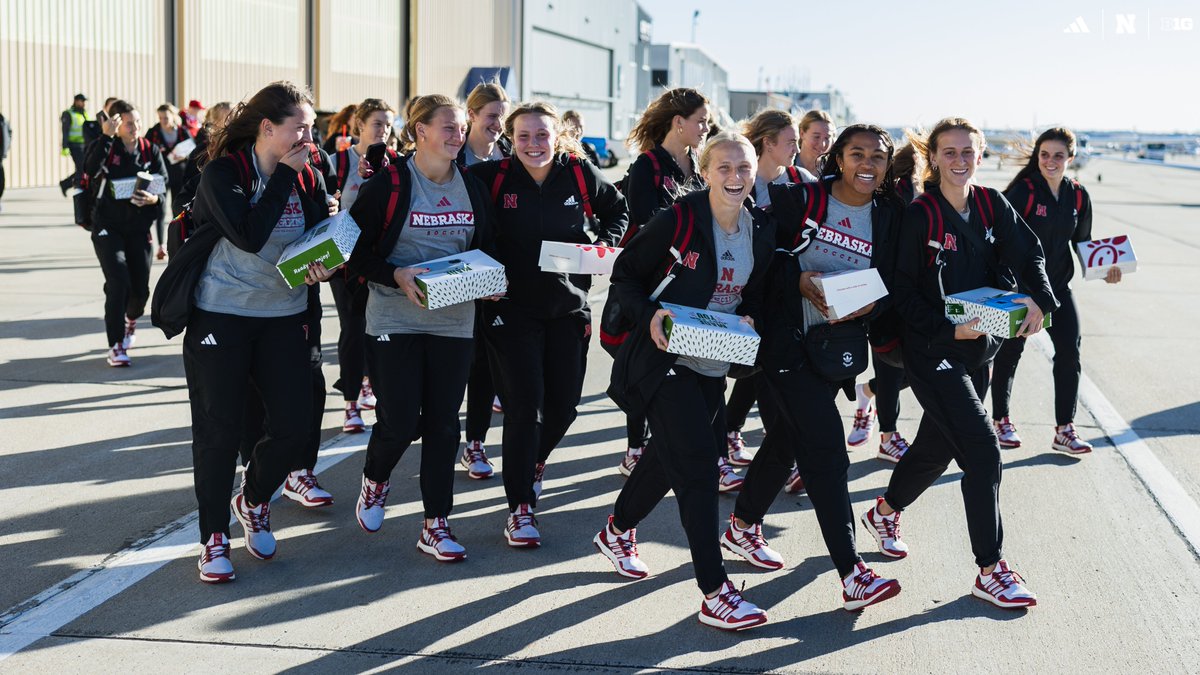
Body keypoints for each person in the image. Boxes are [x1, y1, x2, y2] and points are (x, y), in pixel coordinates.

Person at [861, 117, 1056, 609]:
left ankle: (884, 512)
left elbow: (1029, 252)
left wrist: (1040, 299)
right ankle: (990, 570)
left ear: (980, 155)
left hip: (978, 349)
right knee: (983, 450)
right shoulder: (921, 215)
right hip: (932, 351)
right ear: (933, 158)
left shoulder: (992, 204)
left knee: (936, 449)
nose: (959, 160)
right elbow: (901, 291)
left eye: (968, 151)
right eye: (949, 152)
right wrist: (948, 330)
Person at [721, 124, 904, 612]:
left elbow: (896, 279)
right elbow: (761, 258)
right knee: (826, 451)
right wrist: (798, 279)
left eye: (878, 156)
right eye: (857, 153)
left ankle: (741, 526)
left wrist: (875, 304)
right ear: (839, 157)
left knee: (786, 439)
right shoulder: (798, 199)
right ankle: (853, 573)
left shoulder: (890, 215)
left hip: (836, 350)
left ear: (888, 165)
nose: (867, 164)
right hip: (784, 345)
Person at [595, 132, 773, 630]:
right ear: (706, 172)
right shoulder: (680, 218)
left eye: (744, 168)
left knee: (666, 458)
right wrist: (651, 314)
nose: (735, 177)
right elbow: (625, 275)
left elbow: (756, 294)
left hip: (713, 361)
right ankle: (715, 592)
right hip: (663, 358)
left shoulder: (759, 229)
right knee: (697, 465)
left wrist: (751, 317)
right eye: (724, 168)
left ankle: (616, 531)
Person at [183, 81, 336, 583]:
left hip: (285, 315)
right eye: (300, 127)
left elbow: (315, 240)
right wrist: (284, 176)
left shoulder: (310, 177)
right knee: (219, 431)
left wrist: (326, 263)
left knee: (294, 428)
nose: (309, 137)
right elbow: (249, 235)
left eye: (311, 128)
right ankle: (213, 538)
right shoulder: (224, 173)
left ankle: (252, 500)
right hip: (222, 315)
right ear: (268, 128)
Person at [469, 101, 628, 547]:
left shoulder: (578, 172)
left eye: (542, 135)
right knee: (525, 408)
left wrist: (603, 246)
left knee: (564, 408)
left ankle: (532, 462)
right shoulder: (490, 178)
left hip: (567, 306)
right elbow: (464, 226)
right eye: (523, 136)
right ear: (510, 139)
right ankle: (520, 507)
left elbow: (618, 210)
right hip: (510, 309)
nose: (533, 144)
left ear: (557, 137)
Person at [348, 94, 497, 562]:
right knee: (398, 421)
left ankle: (436, 524)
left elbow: (486, 248)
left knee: (442, 425)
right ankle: (376, 479)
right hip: (394, 319)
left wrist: (490, 281)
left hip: (454, 323)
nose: (457, 136)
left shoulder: (472, 187)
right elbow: (353, 251)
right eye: (448, 127)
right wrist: (396, 274)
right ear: (421, 131)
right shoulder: (390, 184)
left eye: (461, 128)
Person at [608, 88, 738, 490]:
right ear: (678, 122)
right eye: (700, 121)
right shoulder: (647, 165)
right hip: (654, 281)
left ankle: (715, 457)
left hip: (693, 283)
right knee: (648, 364)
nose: (705, 128)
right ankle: (635, 446)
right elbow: (646, 221)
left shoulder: (699, 164)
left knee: (701, 372)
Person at [989, 127, 1117, 454]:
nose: (1050, 161)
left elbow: (1083, 244)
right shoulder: (1025, 192)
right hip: (1022, 289)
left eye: (1058, 155)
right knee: (1009, 354)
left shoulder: (1078, 196)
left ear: (1070, 158)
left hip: (1059, 288)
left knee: (1070, 353)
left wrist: (1107, 271)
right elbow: (1001, 239)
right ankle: (1000, 420)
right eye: (1044, 154)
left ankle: (1065, 430)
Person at [722, 109, 805, 472]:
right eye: (791, 142)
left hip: (787, 295)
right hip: (746, 292)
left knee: (767, 373)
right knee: (749, 371)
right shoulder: (743, 181)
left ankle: (781, 458)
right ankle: (732, 441)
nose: (797, 148)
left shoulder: (802, 180)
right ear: (768, 143)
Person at [846, 135, 926, 462]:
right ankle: (888, 437)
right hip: (885, 294)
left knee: (914, 368)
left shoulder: (926, 193)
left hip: (907, 294)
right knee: (892, 368)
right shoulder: (898, 194)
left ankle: (867, 393)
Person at [328, 98, 398, 434]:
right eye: (377, 123)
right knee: (352, 329)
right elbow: (325, 208)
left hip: (381, 260)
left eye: (388, 124)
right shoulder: (338, 161)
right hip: (345, 261)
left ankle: (372, 384)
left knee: (379, 328)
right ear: (360, 125)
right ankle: (350, 403)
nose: (383, 130)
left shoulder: (397, 162)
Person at [83, 100, 168, 367]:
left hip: (138, 229)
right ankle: (116, 345)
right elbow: (89, 169)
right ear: (117, 125)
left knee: (140, 291)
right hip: (107, 226)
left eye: (138, 122)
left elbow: (163, 184)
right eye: (129, 123)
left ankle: (131, 319)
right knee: (118, 282)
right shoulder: (107, 146)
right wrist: (105, 137)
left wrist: (154, 200)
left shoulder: (150, 149)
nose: (135, 127)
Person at [456, 82, 511, 480]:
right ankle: (438, 429)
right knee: (453, 361)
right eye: (492, 116)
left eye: (503, 117)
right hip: (456, 268)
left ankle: (474, 441)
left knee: (485, 362)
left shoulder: (511, 154)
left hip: (498, 272)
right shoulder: (453, 154)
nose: (498, 124)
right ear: (472, 115)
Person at [146, 103, 195, 259]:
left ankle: (176, 244)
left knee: (177, 210)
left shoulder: (182, 131)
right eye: (160, 118)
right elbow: (146, 150)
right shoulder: (153, 132)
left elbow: (193, 149)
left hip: (179, 176)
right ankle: (161, 246)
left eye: (166, 117)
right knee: (160, 211)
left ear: (173, 117)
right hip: (159, 176)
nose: (163, 121)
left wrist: (184, 156)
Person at [60, 93, 93, 196]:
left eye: (84, 101)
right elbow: (65, 131)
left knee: (84, 168)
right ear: (76, 101)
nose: (83, 103)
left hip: (85, 145)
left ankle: (66, 184)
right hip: (74, 145)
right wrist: (65, 146)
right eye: (82, 101)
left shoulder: (84, 113)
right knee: (81, 168)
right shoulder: (68, 114)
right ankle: (78, 187)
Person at [794, 110, 833, 182]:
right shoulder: (786, 165)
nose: (823, 144)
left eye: (827, 138)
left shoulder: (833, 171)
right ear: (802, 133)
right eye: (816, 137)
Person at [0, 110, 9, 214]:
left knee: (1, 182)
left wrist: (6, 148)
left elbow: (8, 132)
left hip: (0, 155)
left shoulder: (2, 120)